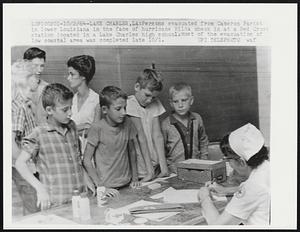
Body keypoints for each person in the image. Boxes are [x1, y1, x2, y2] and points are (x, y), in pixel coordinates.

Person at [15, 83, 92, 210]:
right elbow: (20, 164)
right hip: (56, 203)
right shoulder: (38, 133)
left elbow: (76, 160)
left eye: (71, 107)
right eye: (65, 109)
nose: (70, 113)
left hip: (80, 198)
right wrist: (40, 188)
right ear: (50, 110)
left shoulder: (72, 126)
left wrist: (87, 179)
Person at [197, 123, 270, 225]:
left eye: (228, 159)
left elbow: (217, 226)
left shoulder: (252, 187)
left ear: (241, 162)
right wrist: (226, 190)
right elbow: (263, 190)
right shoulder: (267, 167)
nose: (229, 164)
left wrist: (204, 198)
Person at [83, 86, 140, 197]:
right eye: (118, 109)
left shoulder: (128, 123)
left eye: (125, 108)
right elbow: (86, 160)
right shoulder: (97, 128)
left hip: (128, 184)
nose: (124, 112)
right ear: (105, 109)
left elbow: (132, 151)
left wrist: (135, 178)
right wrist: (100, 186)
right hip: (107, 188)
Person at [126, 65, 169, 181]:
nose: (150, 100)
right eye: (147, 95)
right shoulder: (130, 104)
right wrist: (149, 172)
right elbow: (141, 137)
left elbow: (158, 135)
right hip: (139, 163)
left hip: (155, 164)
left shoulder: (155, 103)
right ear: (137, 87)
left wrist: (164, 167)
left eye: (154, 97)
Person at [11, 60, 40, 215]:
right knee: (33, 209)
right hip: (24, 167)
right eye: (35, 76)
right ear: (26, 80)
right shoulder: (20, 107)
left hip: (25, 166)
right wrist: (26, 166)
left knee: (32, 206)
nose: (37, 79)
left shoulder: (24, 103)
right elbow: (10, 144)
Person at [161, 82, 209, 174]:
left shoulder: (197, 119)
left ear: (191, 100)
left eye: (184, 100)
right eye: (176, 101)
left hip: (197, 169)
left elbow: (203, 141)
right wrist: (167, 167)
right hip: (175, 171)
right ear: (171, 103)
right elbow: (162, 149)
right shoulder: (166, 124)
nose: (180, 105)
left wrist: (204, 161)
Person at [67, 55, 100, 153]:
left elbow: (95, 133)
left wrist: (72, 129)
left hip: (89, 154)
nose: (68, 78)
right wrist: (84, 126)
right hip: (70, 152)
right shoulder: (70, 100)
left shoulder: (97, 100)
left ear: (83, 76)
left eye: (72, 74)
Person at [23, 47, 48, 124]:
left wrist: (33, 106)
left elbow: (47, 120)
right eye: (36, 65)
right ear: (25, 64)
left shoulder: (46, 88)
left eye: (42, 66)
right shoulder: (13, 86)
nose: (39, 70)